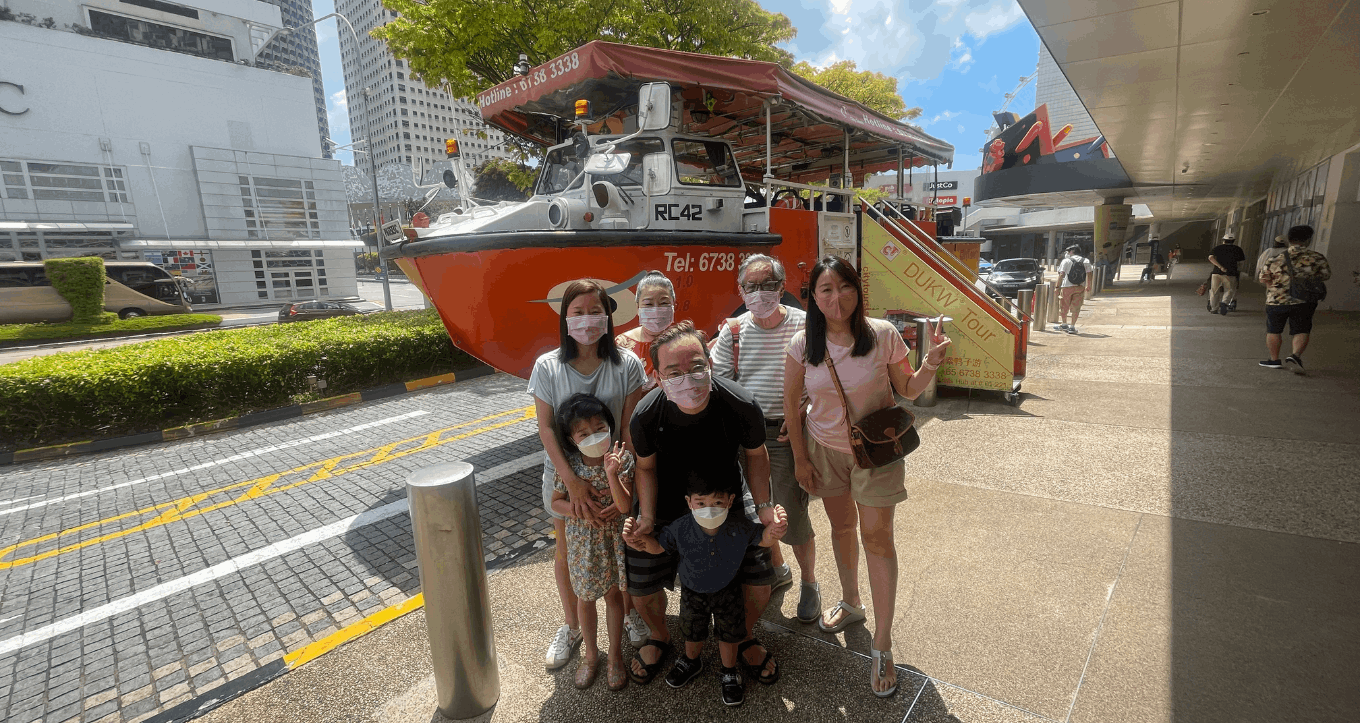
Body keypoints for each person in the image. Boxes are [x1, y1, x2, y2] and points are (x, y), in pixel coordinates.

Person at [783, 256, 952, 697]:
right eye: (825, 289)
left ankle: (882, 643)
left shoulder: (882, 335)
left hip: (876, 454)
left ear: (857, 291)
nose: (836, 297)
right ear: (814, 298)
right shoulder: (803, 344)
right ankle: (851, 602)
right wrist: (801, 460)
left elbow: (908, 389)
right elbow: (791, 404)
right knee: (841, 526)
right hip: (824, 451)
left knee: (877, 540)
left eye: (844, 287)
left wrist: (931, 363)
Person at [626, 321, 782, 689]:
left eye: (696, 366)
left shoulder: (740, 404)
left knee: (761, 580)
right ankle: (660, 635)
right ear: (658, 377)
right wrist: (646, 517)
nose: (688, 379)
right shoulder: (646, 416)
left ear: (710, 361)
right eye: (673, 372)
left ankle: (741, 635)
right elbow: (645, 468)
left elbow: (756, 456)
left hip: (724, 501)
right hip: (664, 504)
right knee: (641, 584)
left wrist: (763, 506)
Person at [527, 279, 646, 671]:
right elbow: (546, 428)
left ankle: (627, 615)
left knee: (621, 549)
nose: (587, 319)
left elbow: (628, 426)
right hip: (565, 476)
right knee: (567, 551)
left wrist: (619, 482)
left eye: (595, 310)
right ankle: (571, 626)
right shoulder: (548, 365)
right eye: (577, 312)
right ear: (565, 318)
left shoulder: (625, 363)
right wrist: (573, 482)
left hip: (615, 472)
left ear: (609, 316)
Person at [711, 254, 819, 622]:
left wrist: (801, 412)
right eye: (751, 287)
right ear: (740, 291)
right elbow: (719, 382)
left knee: (794, 513)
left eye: (768, 285)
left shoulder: (806, 327)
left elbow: (823, 378)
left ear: (782, 287)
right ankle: (777, 570)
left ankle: (810, 582)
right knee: (756, 510)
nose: (760, 293)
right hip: (746, 439)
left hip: (787, 436)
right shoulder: (734, 331)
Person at [622, 480, 788, 707]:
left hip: (729, 592)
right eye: (701, 502)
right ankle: (691, 661)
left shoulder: (739, 525)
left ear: (730, 501)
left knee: (729, 635)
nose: (709, 509)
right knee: (692, 632)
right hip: (692, 593)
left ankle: (729, 671)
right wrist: (638, 540)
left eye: (717, 502)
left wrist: (776, 530)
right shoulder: (680, 527)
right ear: (689, 502)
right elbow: (657, 546)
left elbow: (763, 538)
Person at [550, 394, 635, 691]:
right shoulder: (570, 468)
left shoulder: (622, 460)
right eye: (584, 433)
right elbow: (556, 503)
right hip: (582, 545)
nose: (594, 437)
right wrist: (579, 509)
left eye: (600, 428)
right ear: (572, 439)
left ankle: (614, 656)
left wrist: (611, 474)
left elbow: (626, 504)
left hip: (612, 543)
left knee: (614, 597)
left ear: (610, 427)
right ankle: (590, 655)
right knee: (585, 599)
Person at [1259, 225, 1331, 374]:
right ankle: (1295, 355)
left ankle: (1274, 360)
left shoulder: (1275, 258)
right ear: (1309, 240)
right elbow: (1325, 275)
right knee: (1302, 329)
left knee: (1273, 330)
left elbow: (1263, 278)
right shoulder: (1317, 258)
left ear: (1289, 240)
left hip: (1277, 300)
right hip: (1304, 300)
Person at [615, 271, 676, 394]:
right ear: (638, 308)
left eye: (663, 303)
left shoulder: (684, 341)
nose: (656, 310)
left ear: (673, 305)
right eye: (648, 304)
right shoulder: (621, 344)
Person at [1055, 245, 1093, 334]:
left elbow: (1061, 275)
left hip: (1066, 287)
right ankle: (1072, 326)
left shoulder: (1066, 261)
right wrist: (1088, 286)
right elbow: (1089, 274)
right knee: (1076, 307)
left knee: (1064, 306)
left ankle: (1064, 324)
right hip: (1080, 287)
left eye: (1068, 251)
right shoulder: (1086, 261)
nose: (1067, 253)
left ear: (1072, 251)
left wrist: (1057, 287)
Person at [1207, 232, 1247, 315]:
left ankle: (1214, 308)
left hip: (1216, 273)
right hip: (1231, 273)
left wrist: (1220, 266)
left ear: (1223, 240)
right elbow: (1241, 263)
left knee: (1214, 291)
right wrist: (1238, 270)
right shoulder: (1238, 249)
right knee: (1229, 290)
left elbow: (1210, 258)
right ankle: (1224, 303)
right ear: (1233, 240)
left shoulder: (1217, 248)